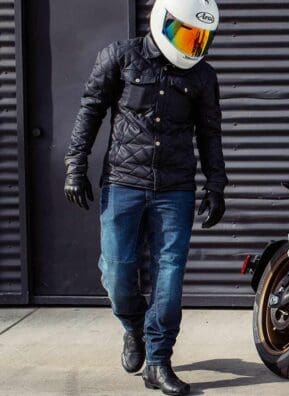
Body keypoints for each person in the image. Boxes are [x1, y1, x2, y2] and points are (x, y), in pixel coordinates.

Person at [63, 1, 226, 394]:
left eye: (199, 37)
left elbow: (209, 132)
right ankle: (132, 328)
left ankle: (158, 360)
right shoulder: (120, 57)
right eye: (185, 33)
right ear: (162, 21)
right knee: (118, 272)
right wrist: (75, 164)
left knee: (170, 275)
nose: (192, 44)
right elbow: (90, 110)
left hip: (176, 189)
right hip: (123, 183)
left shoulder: (203, 76)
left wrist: (217, 185)